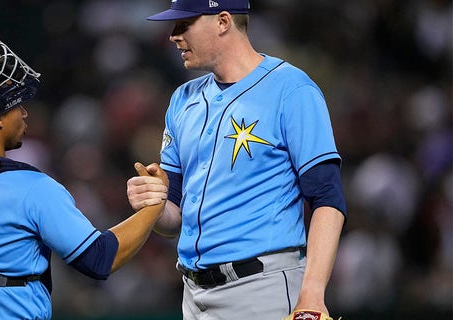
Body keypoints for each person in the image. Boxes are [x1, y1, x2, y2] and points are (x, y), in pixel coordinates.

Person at [0, 37, 168, 320]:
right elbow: (100, 258)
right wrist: (155, 204)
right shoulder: (31, 189)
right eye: (16, 105)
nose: (24, 113)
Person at [126, 1, 347, 319]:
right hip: (193, 294)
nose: (173, 36)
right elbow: (174, 219)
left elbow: (327, 197)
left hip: (262, 289)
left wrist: (312, 290)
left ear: (223, 21)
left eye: (183, 24)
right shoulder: (182, 100)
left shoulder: (291, 89)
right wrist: (155, 204)